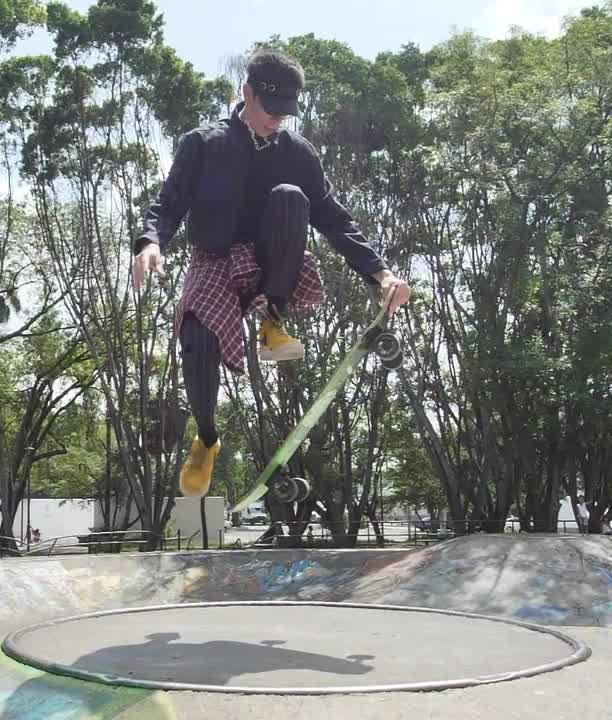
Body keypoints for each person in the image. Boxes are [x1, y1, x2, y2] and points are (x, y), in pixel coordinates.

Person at [131, 48, 410, 498]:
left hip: (269, 262)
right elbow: (169, 202)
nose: (277, 121)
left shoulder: (298, 153)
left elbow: (333, 218)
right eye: (270, 110)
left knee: (291, 196)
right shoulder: (203, 142)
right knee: (198, 340)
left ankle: (272, 322)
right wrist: (150, 241)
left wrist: (381, 274)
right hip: (214, 261)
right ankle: (206, 439)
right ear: (247, 93)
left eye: (286, 113)